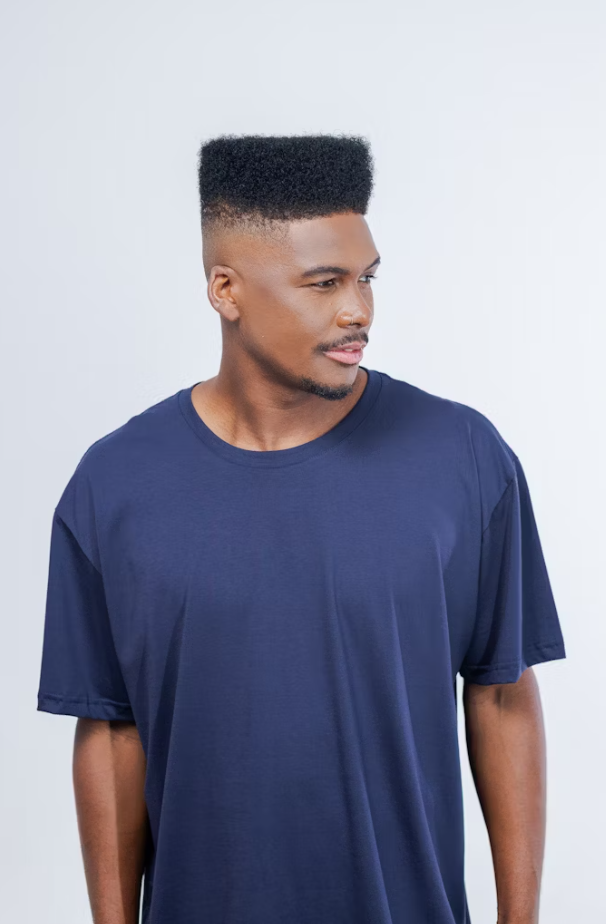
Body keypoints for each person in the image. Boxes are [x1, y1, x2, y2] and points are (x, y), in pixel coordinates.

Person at [37, 134, 566, 924]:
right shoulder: (114, 485)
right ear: (226, 289)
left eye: (366, 278)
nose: (359, 311)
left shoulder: (462, 457)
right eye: (324, 283)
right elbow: (113, 729)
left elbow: (501, 695)